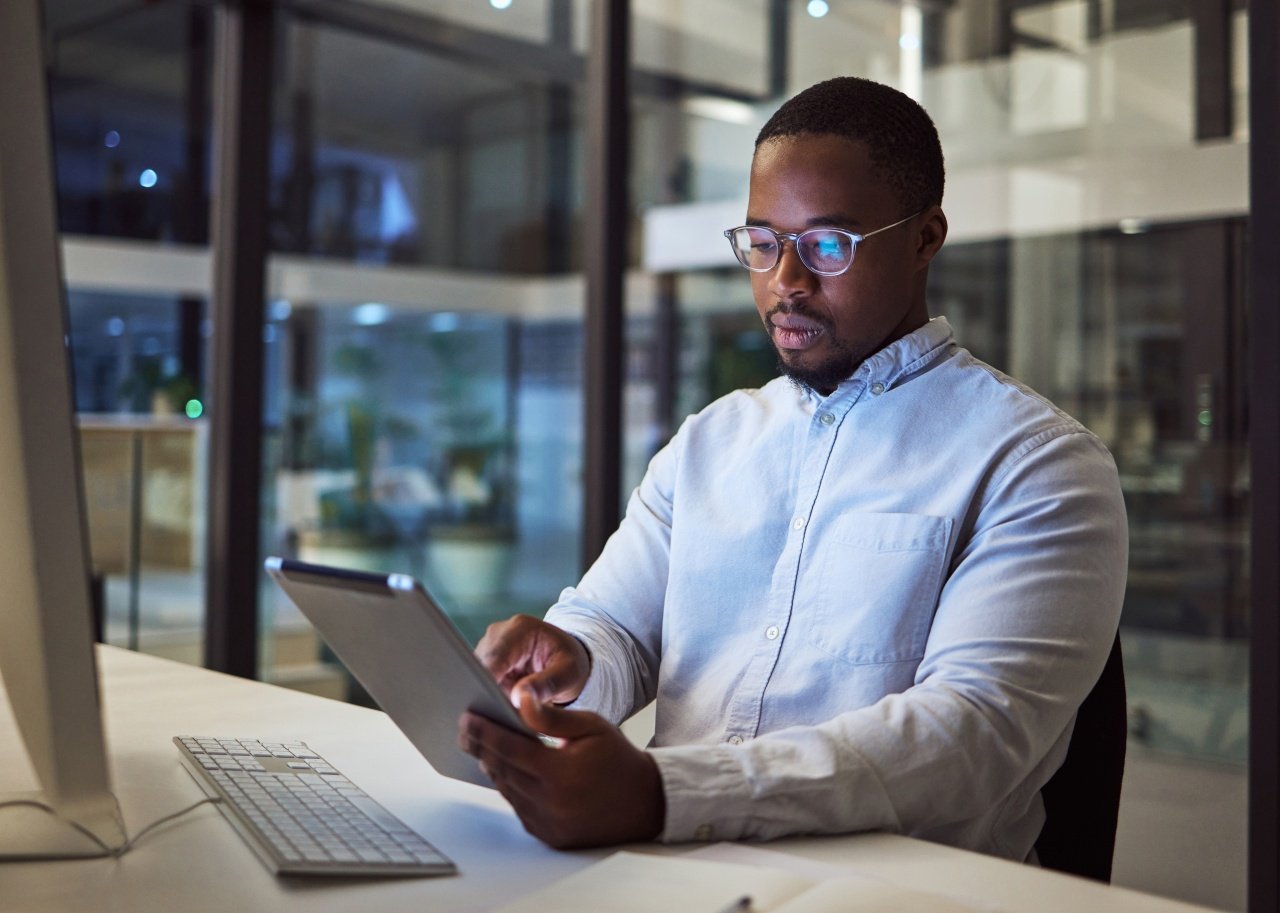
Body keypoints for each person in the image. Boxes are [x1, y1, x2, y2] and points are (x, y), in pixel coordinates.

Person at [457, 76, 1128, 860]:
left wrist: (666, 794)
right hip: (665, 863)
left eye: (828, 245)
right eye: (764, 243)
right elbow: (615, 630)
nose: (785, 282)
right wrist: (571, 662)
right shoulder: (711, 440)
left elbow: (968, 734)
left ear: (925, 238)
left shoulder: (1038, 463)